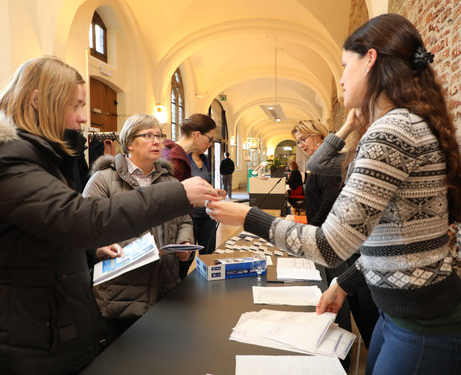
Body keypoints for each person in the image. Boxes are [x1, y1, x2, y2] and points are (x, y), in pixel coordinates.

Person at [207, 14, 461, 375]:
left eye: (345, 66)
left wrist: (246, 216)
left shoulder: (392, 131)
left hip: (421, 325)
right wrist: (344, 283)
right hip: (407, 314)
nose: (341, 78)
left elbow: (329, 245)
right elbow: (390, 240)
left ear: (370, 59)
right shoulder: (405, 122)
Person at [0, 57, 219, 375]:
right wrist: (178, 194)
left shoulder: (36, 156)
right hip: (22, 332)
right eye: (75, 105)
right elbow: (78, 218)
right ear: (38, 101)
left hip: (47, 322)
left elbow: (40, 232)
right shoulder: (5, 159)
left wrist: (87, 250)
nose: (83, 118)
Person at [82, 113, 193, 341]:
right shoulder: (103, 181)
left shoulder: (169, 182)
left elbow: (184, 219)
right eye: (148, 135)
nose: (157, 141)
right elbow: (85, 227)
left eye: (159, 136)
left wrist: (185, 241)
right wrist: (99, 248)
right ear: (130, 143)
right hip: (121, 292)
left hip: (166, 286)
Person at [300, 111, 380, 350]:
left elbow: (328, 197)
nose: (301, 144)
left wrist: (314, 228)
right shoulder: (350, 155)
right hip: (349, 244)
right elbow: (317, 164)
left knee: (365, 309)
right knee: (353, 301)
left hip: (352, 243)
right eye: (297, 140)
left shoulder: (351, 156)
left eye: (304, 138)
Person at [162, 113, 222, 275]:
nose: (210, 144)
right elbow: (168, 201)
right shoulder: (174, 159)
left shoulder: (175, 154)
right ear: (197, 135)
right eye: (210, 139)